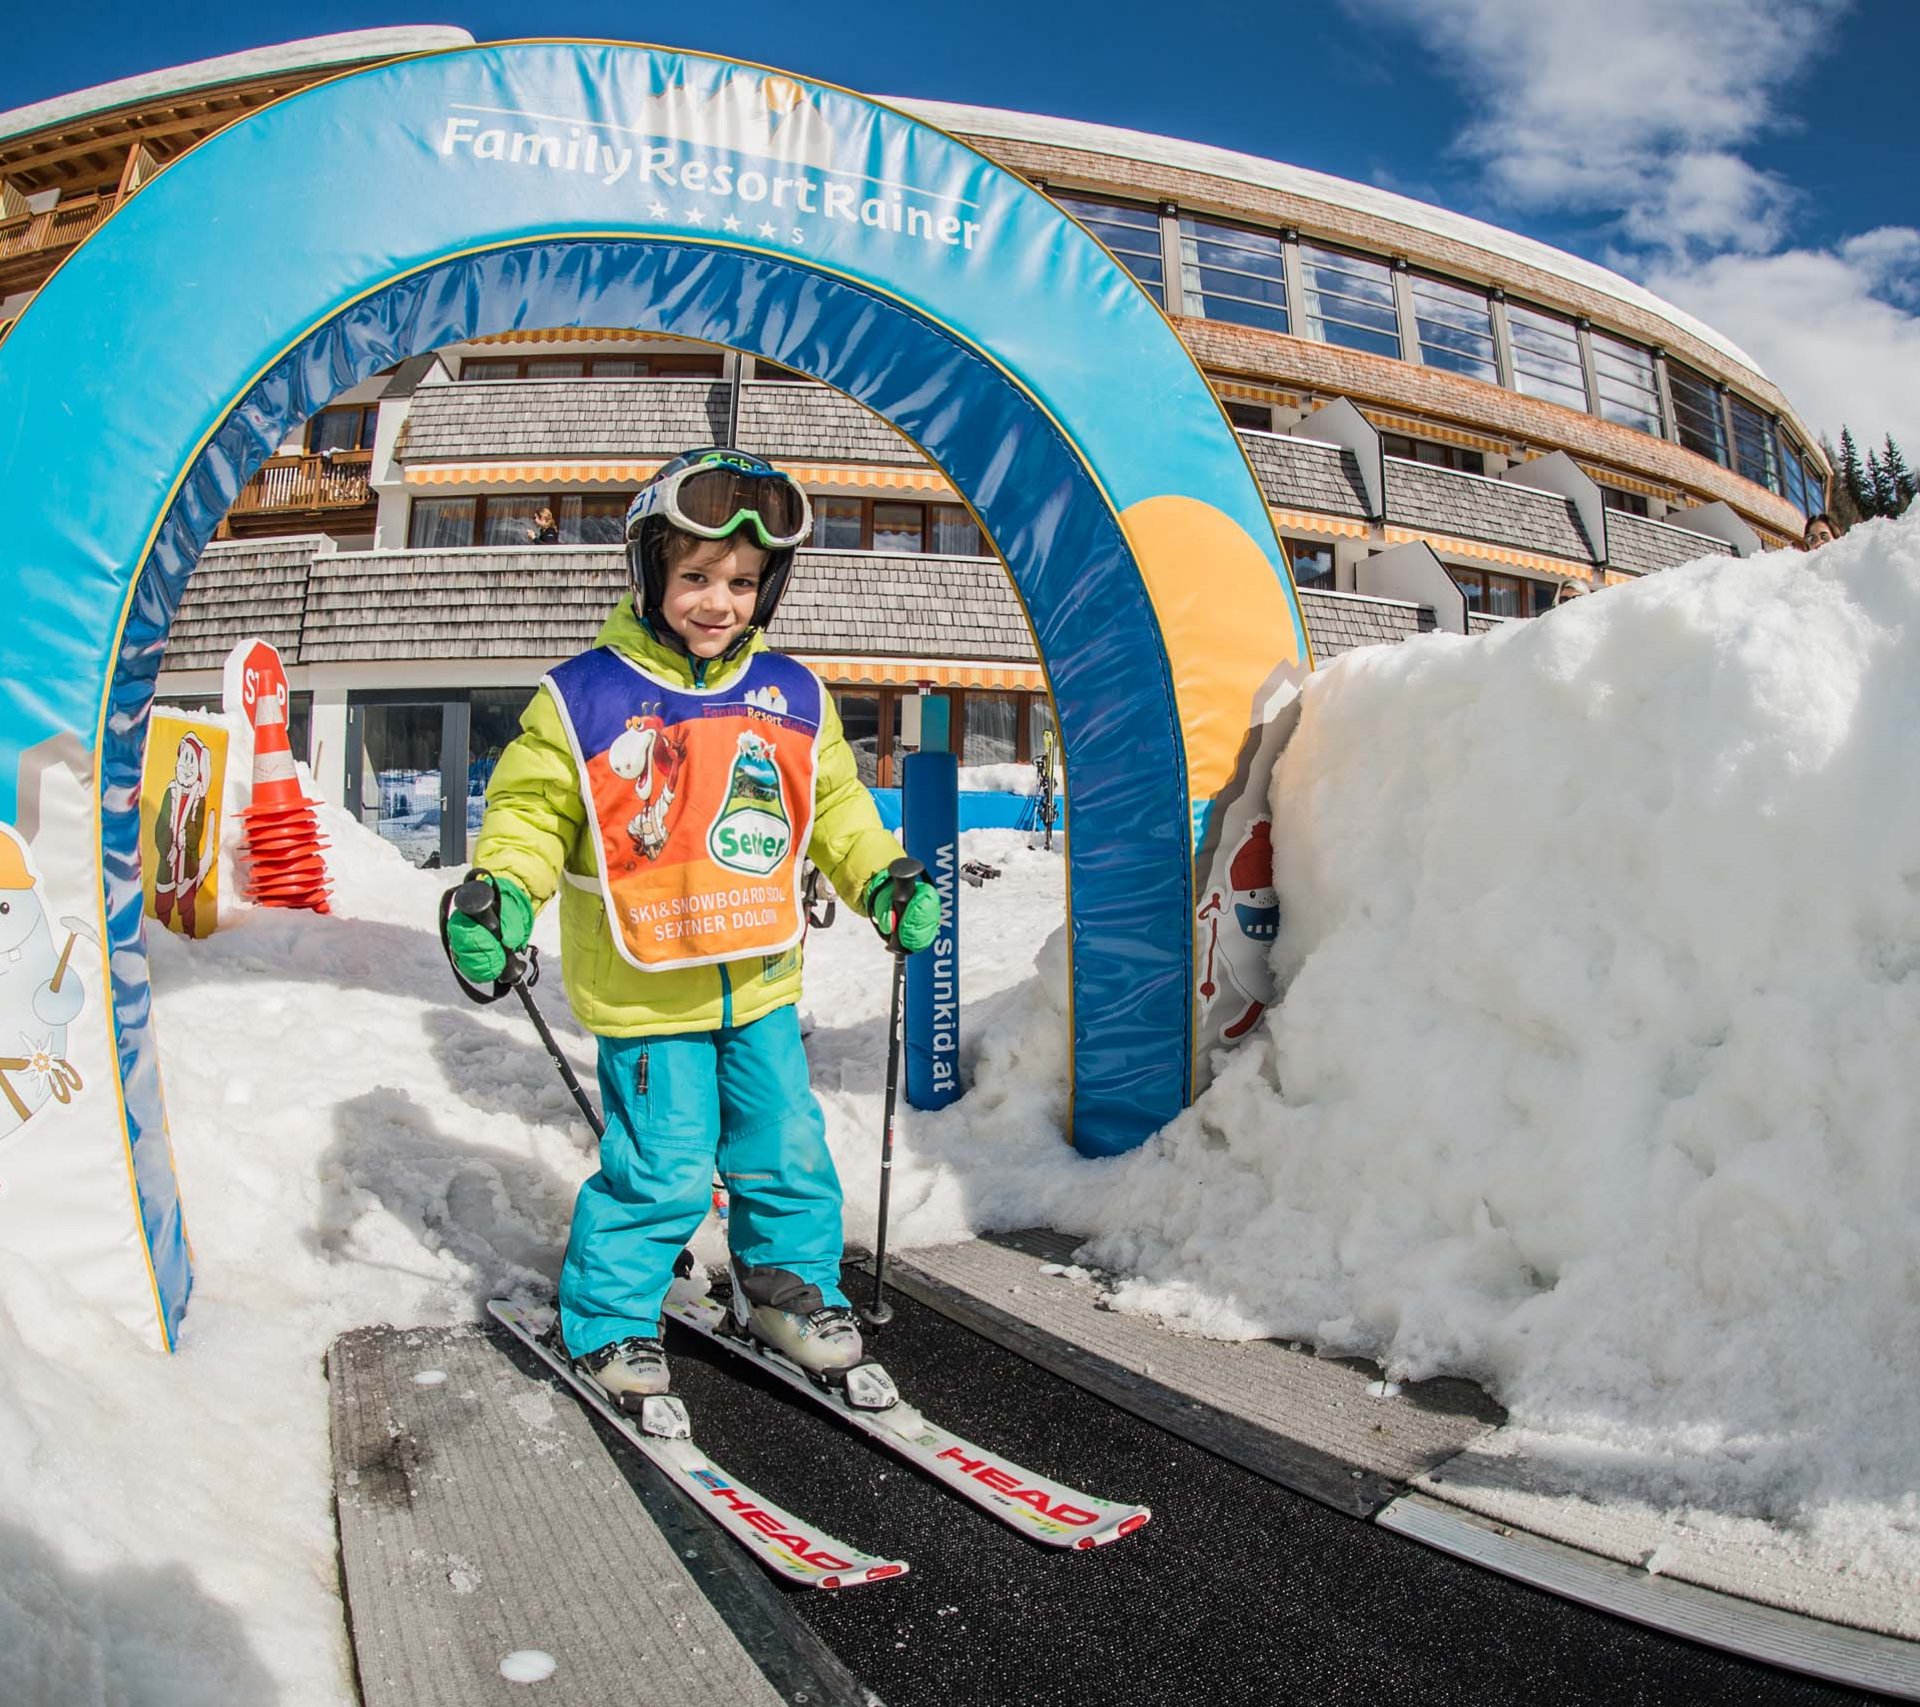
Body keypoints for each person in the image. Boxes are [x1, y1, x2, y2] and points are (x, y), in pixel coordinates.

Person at [442, 448, 940, 1411]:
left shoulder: (794, 696)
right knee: (662, 1162)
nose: (720, 601)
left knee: (785, 1145)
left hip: (757, 978)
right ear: (651, 572)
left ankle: (788, 1287)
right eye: (698, 576)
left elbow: (835, 807)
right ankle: (613, 1316)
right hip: (644, 982)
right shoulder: (581, 695)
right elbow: (532, 813)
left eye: (744, 582)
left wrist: (880, 878)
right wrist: (500, 893)